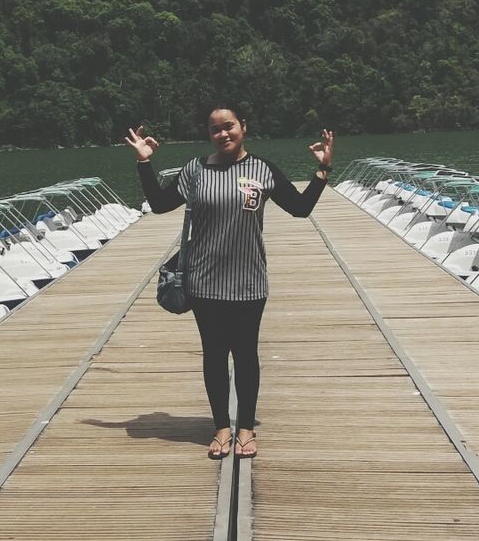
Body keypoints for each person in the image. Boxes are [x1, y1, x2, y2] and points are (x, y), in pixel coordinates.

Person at [125, 106, 334, 460]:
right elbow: (160, 204)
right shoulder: (196, 169)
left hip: (249, 281)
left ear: (243, 128)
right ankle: (222, 426)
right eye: (215, 129)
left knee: (247, 354)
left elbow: (299, 209)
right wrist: (145, 163)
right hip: (204, 282)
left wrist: (323, 169)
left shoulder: (262, 169)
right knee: (214, 355)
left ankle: (247, 427)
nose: (223, 134)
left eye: (229, 127)